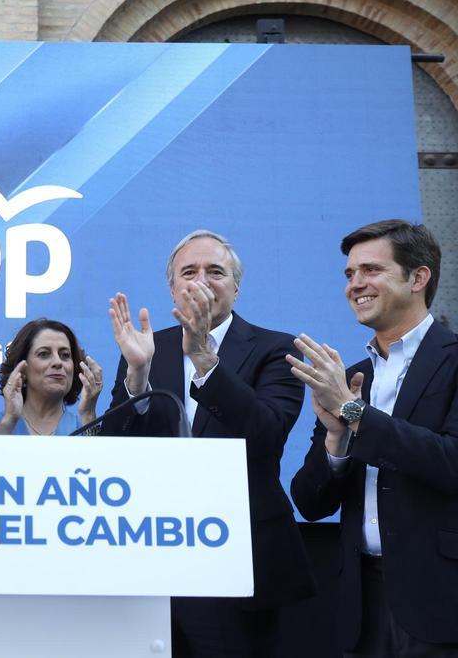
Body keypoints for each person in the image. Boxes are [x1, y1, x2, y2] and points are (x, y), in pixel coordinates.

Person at [289, 219, 458, 656]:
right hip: (363, 612)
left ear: (418, 278)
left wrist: (353, 413)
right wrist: (336, 441)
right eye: (349, 274)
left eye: (370, 270)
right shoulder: (354, 378)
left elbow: (456, 462)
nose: (355, 284)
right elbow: (311, 504)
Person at [105, 229, 315, 657]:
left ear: (236, 288)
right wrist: (137, 378)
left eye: (215, 271)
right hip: (154, 558)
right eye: (189, 271)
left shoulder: (276, 348)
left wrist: (203, 356)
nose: (201, 279)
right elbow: (114, 448)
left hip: (243, 562)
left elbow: (266, 434)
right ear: (173, 287)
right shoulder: (147, 348)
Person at [0, 318, 103, 435]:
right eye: (44, 354)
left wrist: (89, 414)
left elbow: (97, 453)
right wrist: (9, 421)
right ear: (22, 368)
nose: (58, 362)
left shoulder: (85, 424)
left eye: (65, 355)